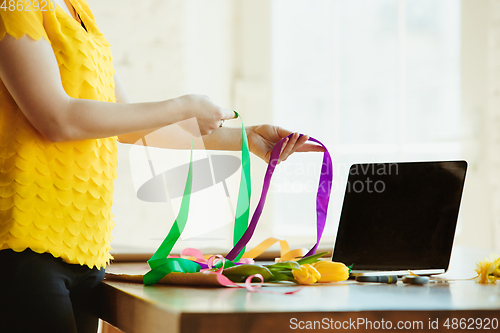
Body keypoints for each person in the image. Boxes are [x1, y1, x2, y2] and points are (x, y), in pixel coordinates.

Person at [0, 0, 323, 332]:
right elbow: (57, 119)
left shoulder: (77, 9)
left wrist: (249, 138)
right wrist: (181, 106)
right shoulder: (15, 5)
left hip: (85, 251)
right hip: (24, 248)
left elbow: (125, 125)